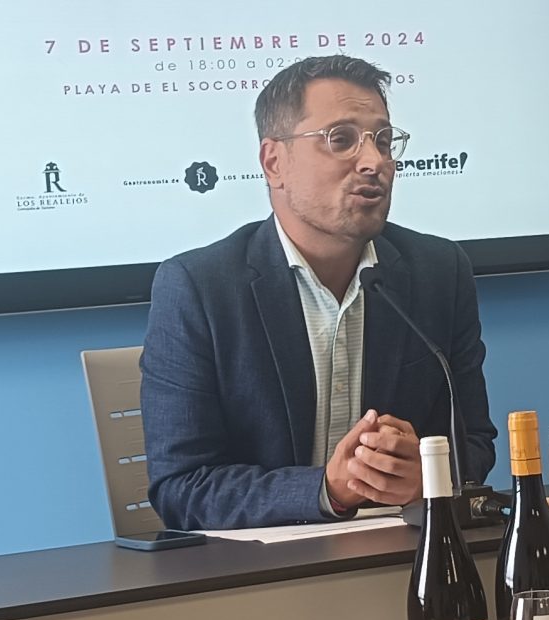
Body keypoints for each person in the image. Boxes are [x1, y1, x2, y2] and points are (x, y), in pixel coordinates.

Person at [142, 55, 495, 530]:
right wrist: (326, 489)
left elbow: (474, 444)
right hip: (262, 568)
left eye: (383, 141)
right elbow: (182, 487)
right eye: (341, 139)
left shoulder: (439, 272)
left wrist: (427, 472)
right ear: (274, 162)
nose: (374, 162)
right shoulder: (199, 288)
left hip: (403, 556)